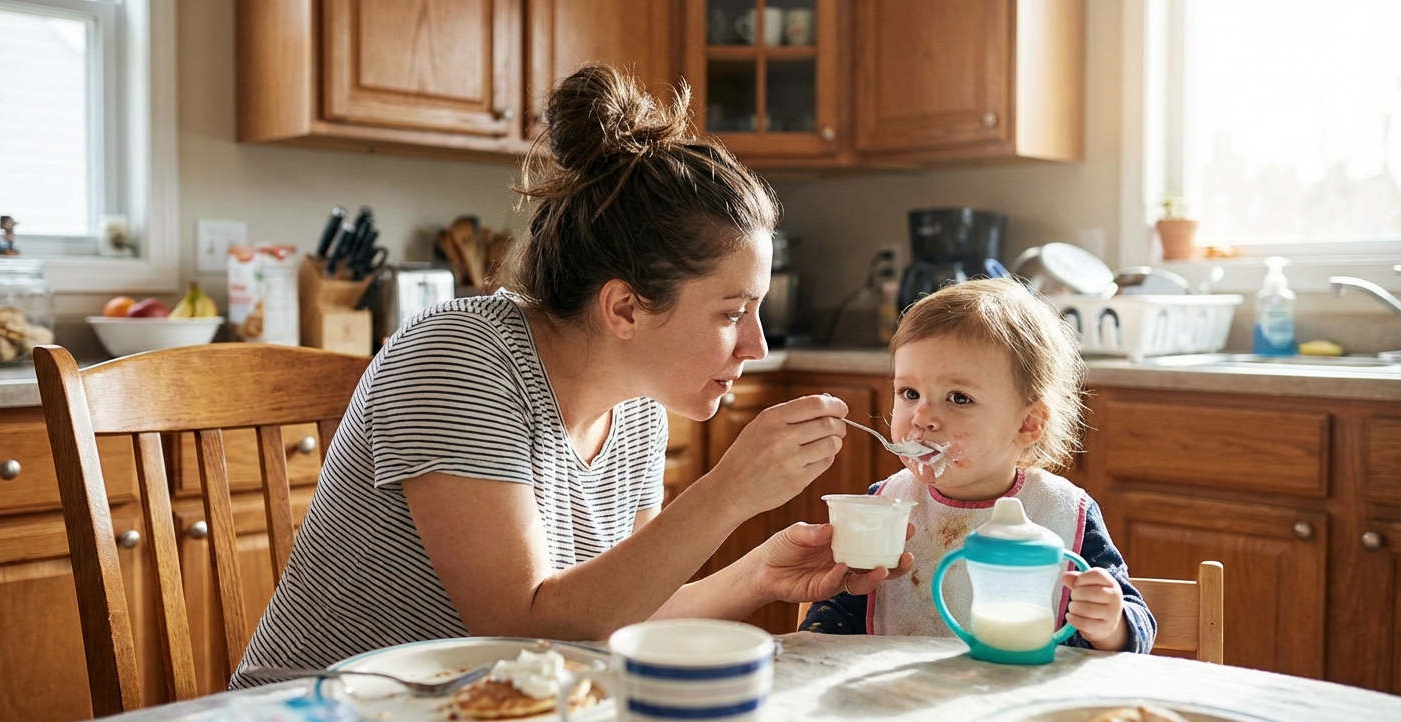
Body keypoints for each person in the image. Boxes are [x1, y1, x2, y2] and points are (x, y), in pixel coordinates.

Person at [230, 65, 911, 687]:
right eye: (733, 312)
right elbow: (521, 627)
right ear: (624, 308)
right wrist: (728, 492)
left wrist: (760, 574)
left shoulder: (640, 404)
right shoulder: (459, 357)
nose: (756, 345)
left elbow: (615, 617)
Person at [800, 279, 1156, 652]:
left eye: (958, 398)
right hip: (903, 702)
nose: (922, 416)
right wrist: (813, 642)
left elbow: (1135, 628)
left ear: (1027, 423)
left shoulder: (1064, 511)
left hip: (1019, 699)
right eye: (909, 393)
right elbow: (842, 611)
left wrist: (1109, 623)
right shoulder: (884, 505)